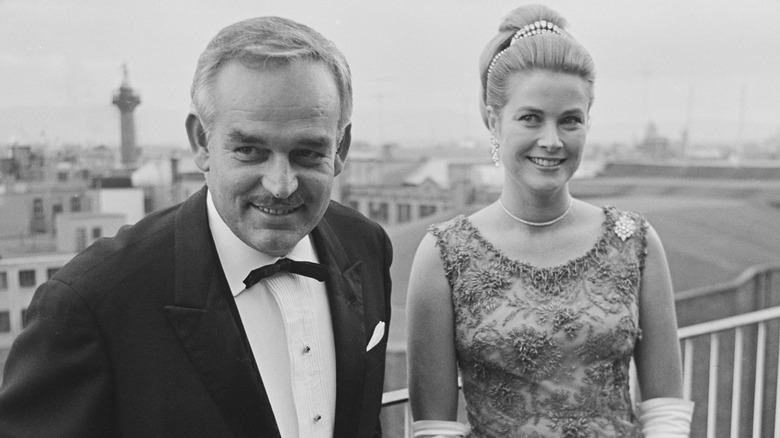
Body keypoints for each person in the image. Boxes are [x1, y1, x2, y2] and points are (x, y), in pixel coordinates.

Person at [0, 16, 392, 438]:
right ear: (201, 143)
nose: (281, 185)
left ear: (340, 148)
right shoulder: (94, 302)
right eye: (249, 150)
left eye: (307, 153)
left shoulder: (365, 245)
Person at [406, 5, 692, 437]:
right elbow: (435, 428)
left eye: (570, 121)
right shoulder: (445, 254)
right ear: (492, 119)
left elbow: (666, 412)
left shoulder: (635, 242)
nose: (552, 141)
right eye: (531, 118)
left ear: (588, 123)